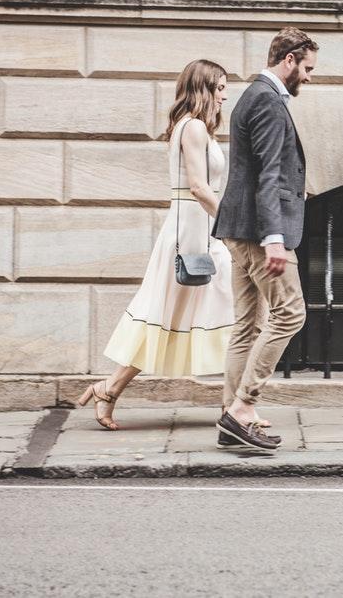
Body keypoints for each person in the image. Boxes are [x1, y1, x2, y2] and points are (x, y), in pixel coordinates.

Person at [78, 59, 234, 430]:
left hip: (199, 230)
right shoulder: (193, 127)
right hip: (193, 234)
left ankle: (110, 389)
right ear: (205, 88)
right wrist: (231, 223)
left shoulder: (194, 127)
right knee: (171, 316)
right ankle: (239, 406)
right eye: (221, 88)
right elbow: (198, 187)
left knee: (195, 314)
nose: (225, 96)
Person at [213, 27, 318, 450]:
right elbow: (269, 175)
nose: (309, 77)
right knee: (291, 314)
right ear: (288, 60)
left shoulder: (252, 96)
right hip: (260, 232)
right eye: (307, 68)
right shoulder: (269, 102)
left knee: (247, 325)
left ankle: (231, 416)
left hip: (238, 228)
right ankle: (242, 407)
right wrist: (275, 238)